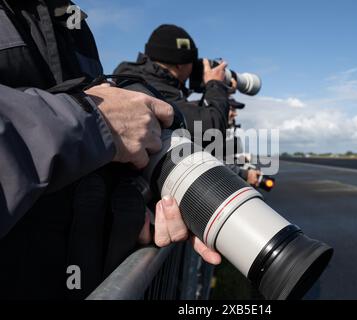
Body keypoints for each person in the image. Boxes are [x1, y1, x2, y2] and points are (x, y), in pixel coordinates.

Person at [0, 0, 219, 299]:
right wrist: (94, 121)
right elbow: (90, 125)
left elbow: (86, 161)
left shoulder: (71, 22)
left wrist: (147, 191)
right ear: (182, 64)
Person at [114, 24, 260, 185]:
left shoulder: (138, 81)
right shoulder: (154, 93)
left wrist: (213, 89)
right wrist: (215, 85)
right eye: (192, 62)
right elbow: (211, 132)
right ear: (180, 64)